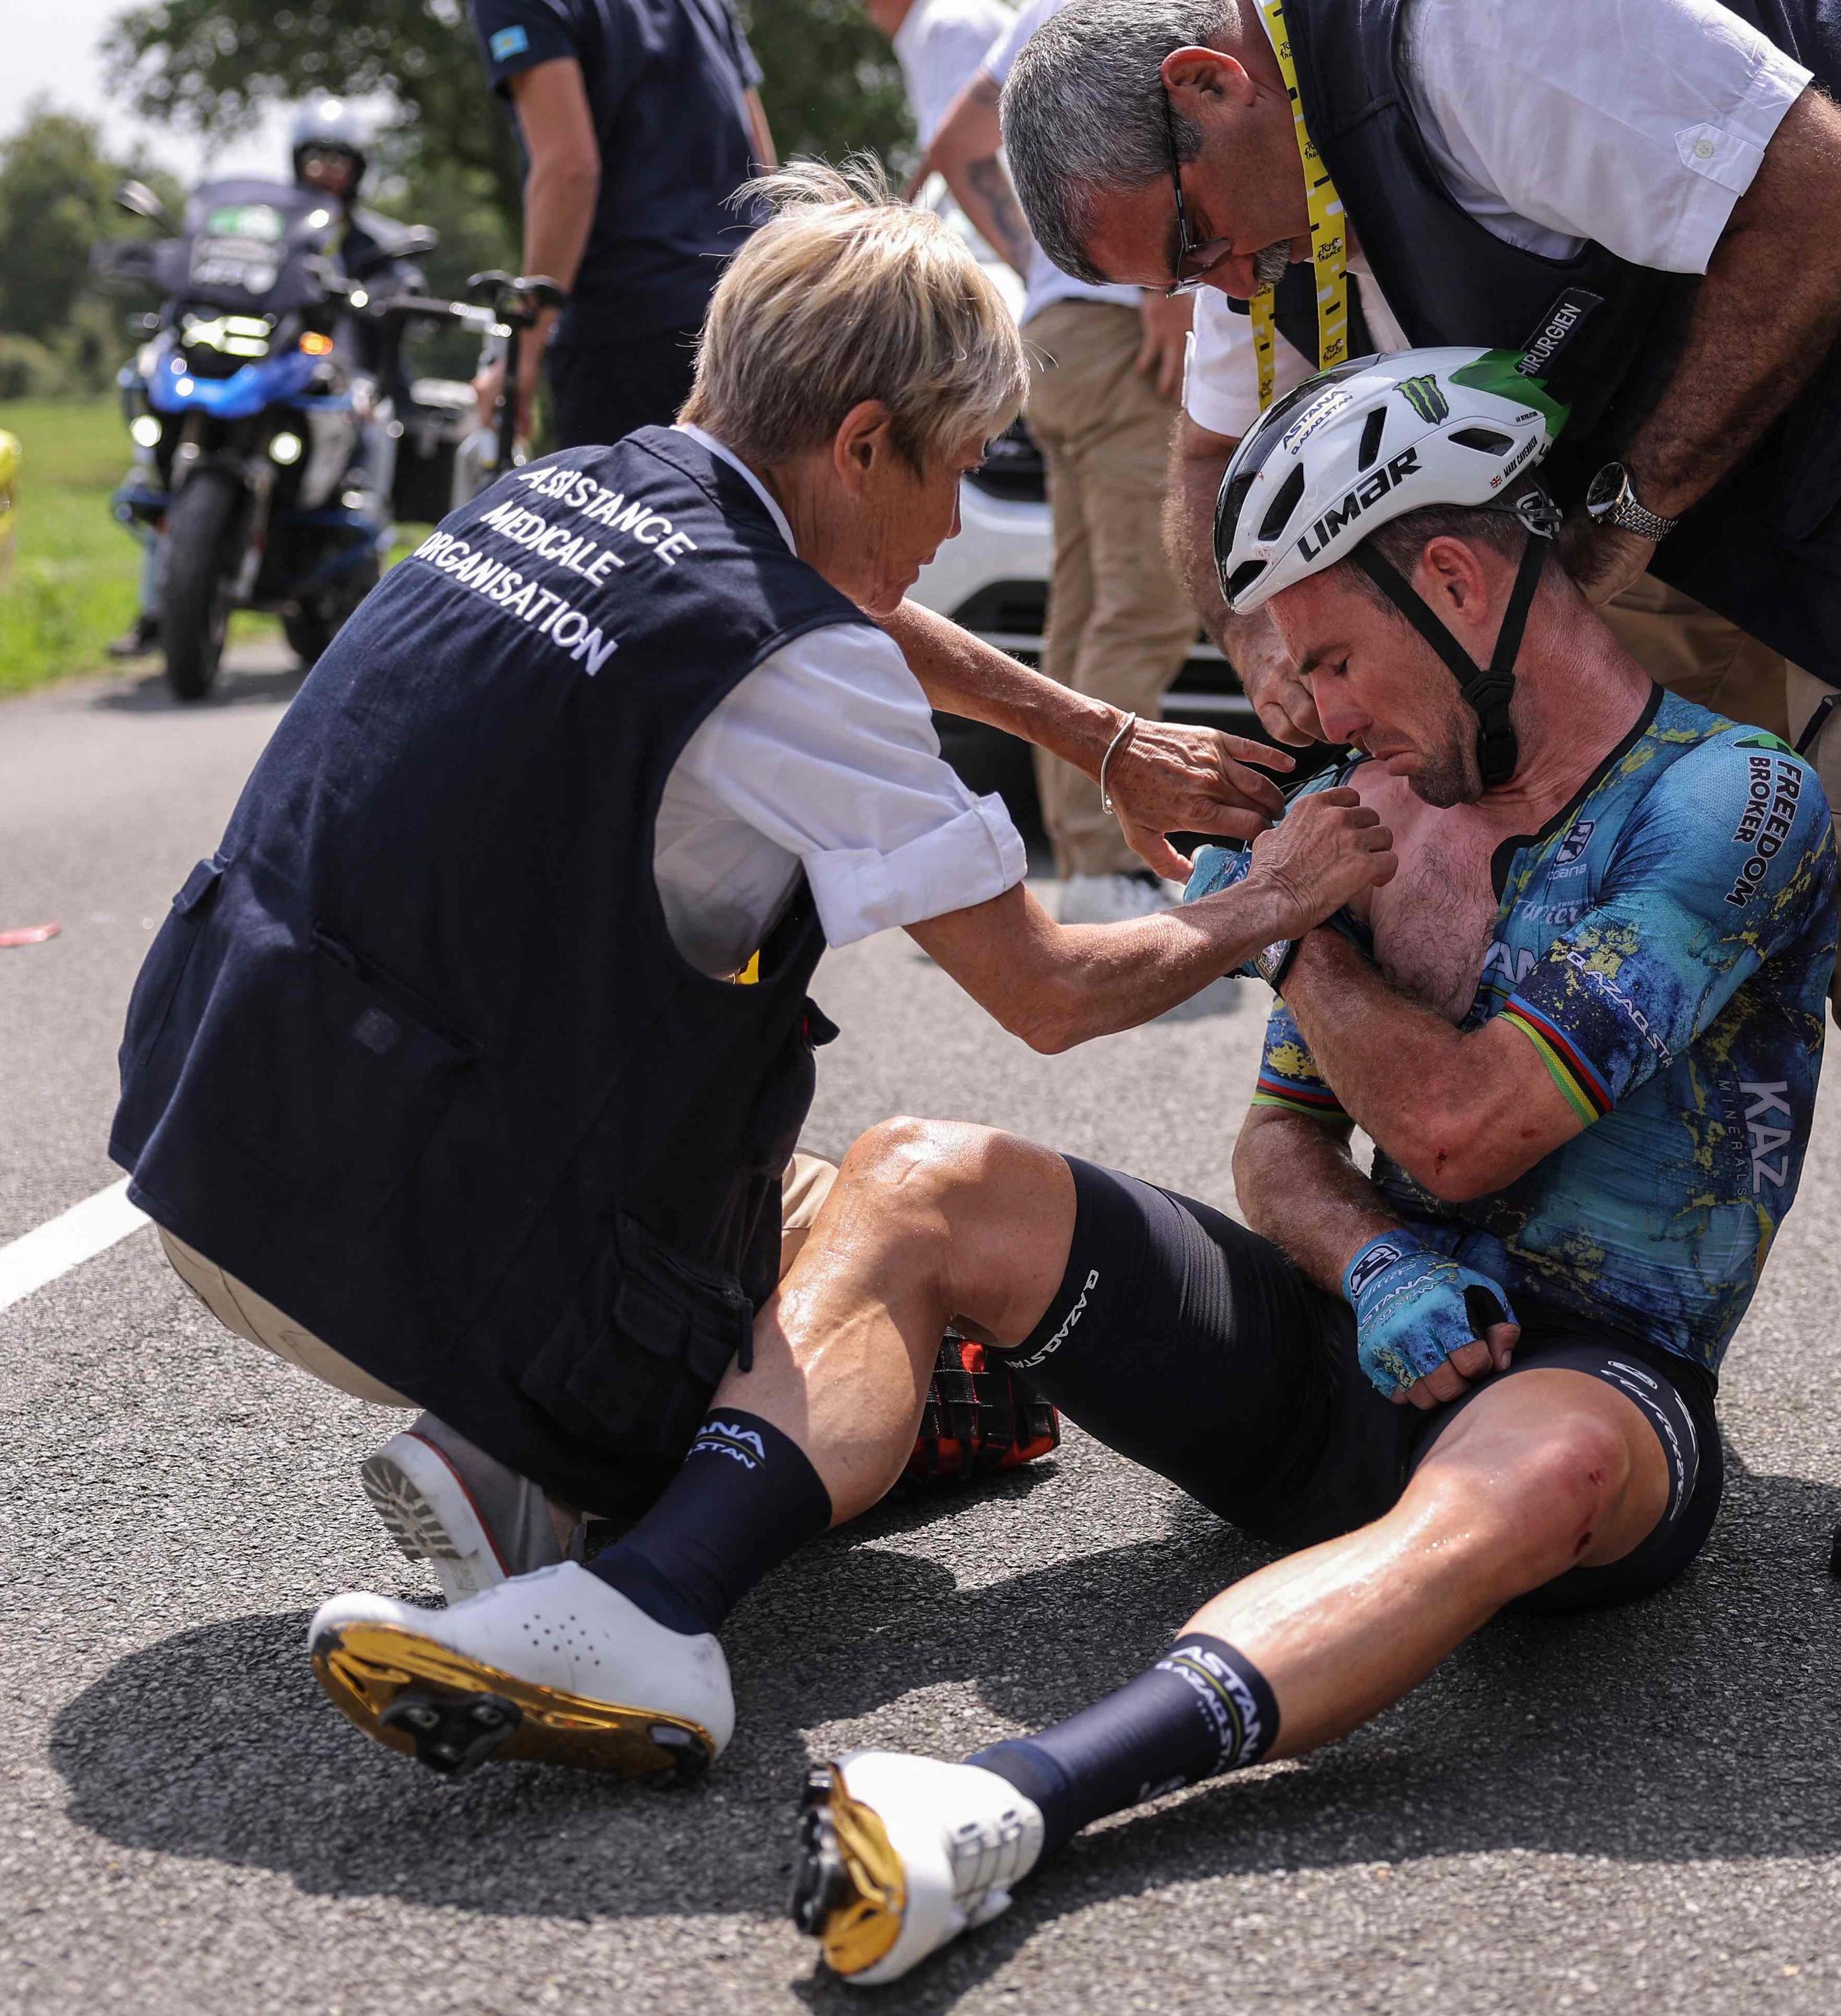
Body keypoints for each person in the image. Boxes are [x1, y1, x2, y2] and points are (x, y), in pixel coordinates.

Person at [287, 352, 1839, 1994]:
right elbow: (1282, 1142)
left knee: (1538, 1470)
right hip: (1344, 1351)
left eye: (1326, 655)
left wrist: (1273, 916)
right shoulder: (1372, 803)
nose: (1310, 716)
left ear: (1453, 578)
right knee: (922, 1170)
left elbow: (1461, 1122)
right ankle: (641, 1613)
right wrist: (1368, 1254)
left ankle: (1006, 1805)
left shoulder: (1731, 803)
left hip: (1594, 1391)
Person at [1000, 0, 1841, 1588]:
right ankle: (1574, 1271)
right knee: (1541, 750)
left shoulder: (1484, 28)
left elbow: (1834, 198)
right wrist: (1272, 656)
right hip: (1747, 354)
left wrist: (1612, 522)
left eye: (1191, 244)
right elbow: (1203, 473)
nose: (1212, 286)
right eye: (1172, 276)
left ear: (1208, 89)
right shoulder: (1242, 171)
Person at [112, 165, 1352, 1615]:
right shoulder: (794, 666)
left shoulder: (563, 485)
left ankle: (528, 1437)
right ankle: (552, 1473)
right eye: (955, 468)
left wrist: (1099, 736)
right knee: (883, 1259)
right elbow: (1055, 995)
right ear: (866, 441)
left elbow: (834, 602)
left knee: (802, 1190)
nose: (954, 524)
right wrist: (1273, 893)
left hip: (212, 1135)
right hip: (367, 1240)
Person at [924, 0, 1207, 922]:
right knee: (1142, 606)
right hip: (1128, 338)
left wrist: (1053, 257)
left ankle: (1085, 862)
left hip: (1055, 334)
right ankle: (1098, 866)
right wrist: (1155, 274)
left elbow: (961, 139)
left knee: (1084, 607)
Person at [113, 100, 427, 662]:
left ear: (358, 169)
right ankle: (156, 609)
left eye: (339, 159)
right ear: (297, 160)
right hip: (262, 356)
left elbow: (399, 278)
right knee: (168, 475)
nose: (326, 170)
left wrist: (388, 293)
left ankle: (369, 534)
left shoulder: (370, 238)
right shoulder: (273, 223)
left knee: (375, 423)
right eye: (315, 157)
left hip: (338, 364)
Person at [464, 0, 780, 453]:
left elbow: (569, 169)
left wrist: (523, 351)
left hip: (628, 331)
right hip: (748, 315)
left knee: (621, 522)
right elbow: (763, 167)